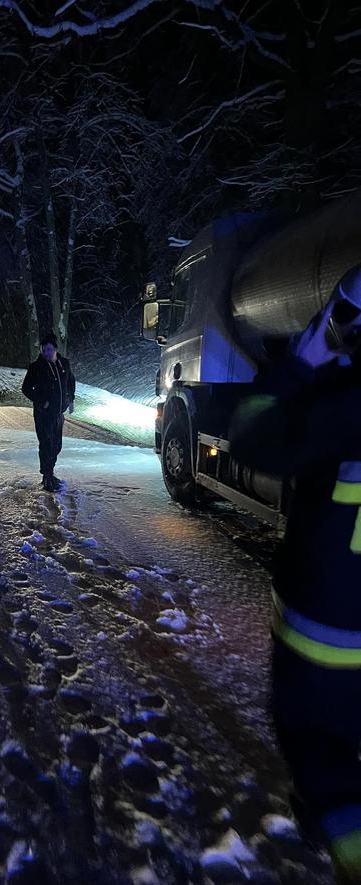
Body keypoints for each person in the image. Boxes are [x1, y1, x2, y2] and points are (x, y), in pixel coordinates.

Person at [230, 267, 361, 884]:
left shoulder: (343, 403)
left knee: (321, 757)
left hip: (327, 634)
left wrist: (300, 366)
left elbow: (252, 437)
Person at [21, 332, 76, 492]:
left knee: (57, 445)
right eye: (43, 350)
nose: (46, 353)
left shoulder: (64, 364)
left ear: (55, 349)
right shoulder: (36, 367)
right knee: (46, 444)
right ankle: (47, 476)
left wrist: (70, 400)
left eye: (49, 349)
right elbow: (25, 388)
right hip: (43, 414)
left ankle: (49, 472)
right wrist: (40, 401)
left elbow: (70, 382)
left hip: (59, 413)